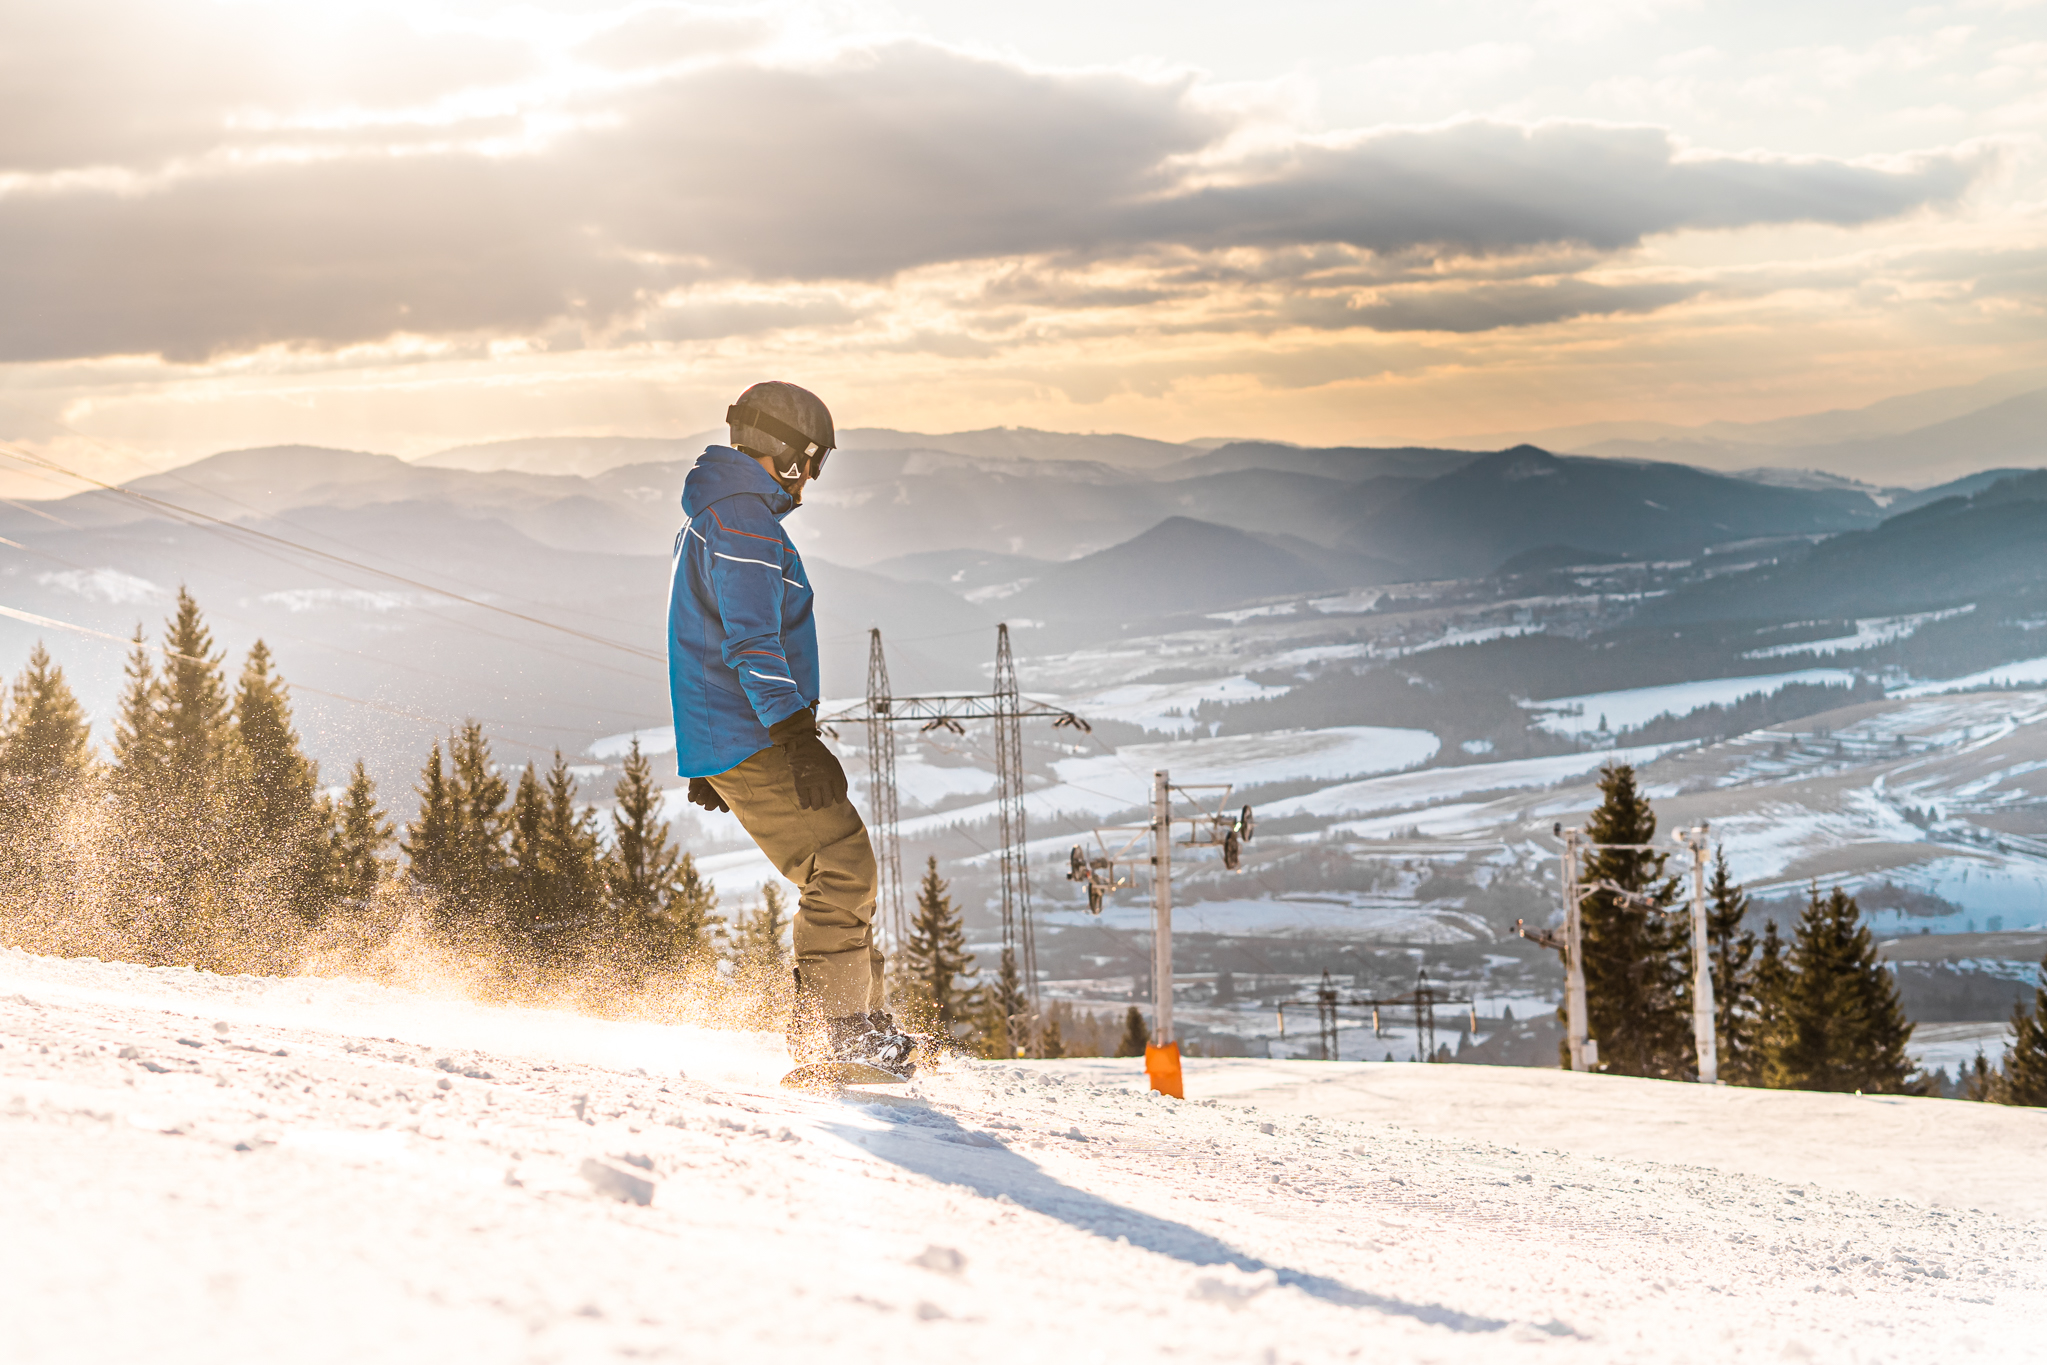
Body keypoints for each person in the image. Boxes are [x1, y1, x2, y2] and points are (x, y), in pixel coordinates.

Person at [667, 381, 915, 1072]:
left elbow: (702, 632)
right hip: (757, 731)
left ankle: (850, 1024)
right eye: (813, 462)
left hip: (736, 733)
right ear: (786, 454)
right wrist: (796, 736)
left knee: (842, 863)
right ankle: (837, 1034)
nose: (810, 481)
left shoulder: (717, 513)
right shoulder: (743, 520)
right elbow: (751, 644)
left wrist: (708, 755)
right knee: (841, 865)